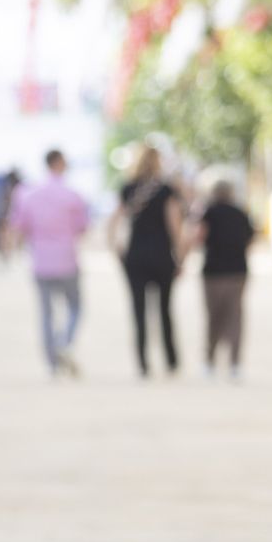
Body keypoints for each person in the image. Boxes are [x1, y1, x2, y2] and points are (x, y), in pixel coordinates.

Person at [7, 149, 90, 376]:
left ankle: (52, 362)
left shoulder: (28, 194)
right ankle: (64, 342)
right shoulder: (72, 195)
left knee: (46, 313)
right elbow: (82, 228)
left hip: (41, 261)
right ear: (59, 163)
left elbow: (19, 226)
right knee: (75, 306)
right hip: (66, 260)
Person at [108, 146, 184, 377]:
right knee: (164, 310)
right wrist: (179, 257)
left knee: (138, 311)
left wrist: (117, 249)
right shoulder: (166, 190)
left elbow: (113, 222)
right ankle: (171, 361)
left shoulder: (128, 188)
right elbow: (175, 226)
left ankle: (143, 364)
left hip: (136, 256)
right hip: (161, 255)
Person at [192, 177, 256, 379]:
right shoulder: (241, 213)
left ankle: (210, 361)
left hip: (214, 272)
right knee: (235, 317)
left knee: (214, 317)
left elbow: (199, 237)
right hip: (237, 271)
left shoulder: (208, 213)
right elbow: (250, 238)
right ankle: (235, 363)